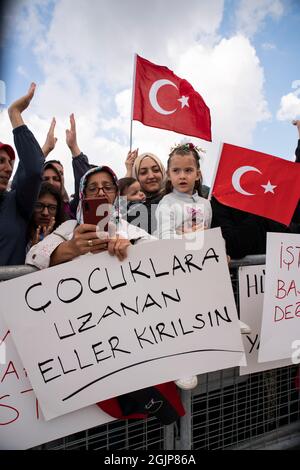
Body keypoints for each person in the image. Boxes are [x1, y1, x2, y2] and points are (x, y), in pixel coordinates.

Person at [26, 165, 185, 425]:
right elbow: (32, 258)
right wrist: (70, 248)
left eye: (107, 186)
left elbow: (164, 257)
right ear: (83, 195)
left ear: (116, 194)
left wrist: (133, 250)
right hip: (84, 344)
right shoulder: (68, 229)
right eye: (93, 187)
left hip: (129, 336)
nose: (101, 191)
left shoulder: (131, 229)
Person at [154, 143, 212, 391]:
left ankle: (227, 322)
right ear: (169, 174)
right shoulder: (166, 203)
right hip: (172, 273)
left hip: (197, 270)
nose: (182, 176)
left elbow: (206, 236)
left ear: (197, 173)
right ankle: (182, 366)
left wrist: (196, 238)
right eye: (176, 170)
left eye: (188, 170)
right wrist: (189, 237)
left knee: (203, 313)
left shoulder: (206, 203)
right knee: (178, 321)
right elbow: (166, 238)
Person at [0, 82, 44, 266]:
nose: (9, 169)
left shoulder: (16, 203)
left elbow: (34, 170)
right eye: (1, 161)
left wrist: (15, 114)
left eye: (11, 163)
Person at [125, 149, 166, 234]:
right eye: (143, 172)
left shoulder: (174, 198)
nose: (151, 176)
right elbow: (114, 218)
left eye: (156, 170)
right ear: (136, 177)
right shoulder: (130, 206)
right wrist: (129, 171)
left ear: (163, 172)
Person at [26, 182, 66, 251]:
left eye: (52, 208)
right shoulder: (19, 236)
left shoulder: (65, 237)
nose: (45, 213)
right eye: (39, 206)